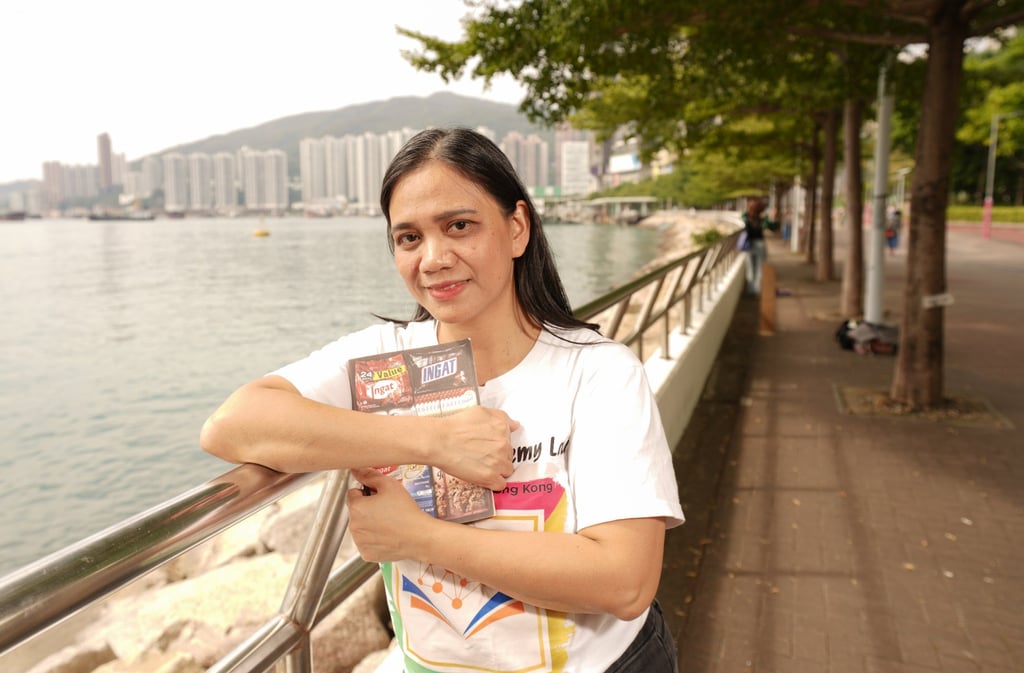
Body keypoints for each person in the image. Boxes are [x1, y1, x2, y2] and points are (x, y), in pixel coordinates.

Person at [200, 127, 685, 672]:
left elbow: (624, 582)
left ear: (517, 227)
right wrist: (432, 440)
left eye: (459, 226)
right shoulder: (381, 357)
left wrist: (418, 537)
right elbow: (231, 426)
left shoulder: (597, 372)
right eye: (408, 238)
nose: (433, 259)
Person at [741, 197, 768, 295]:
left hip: (749, 244)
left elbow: (742, 219)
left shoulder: (746, 217)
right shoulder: (762, 218)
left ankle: (750, 289)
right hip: (759, 243)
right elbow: (771, 226)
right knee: (759, 267)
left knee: (750, 267)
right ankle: (757, 289)